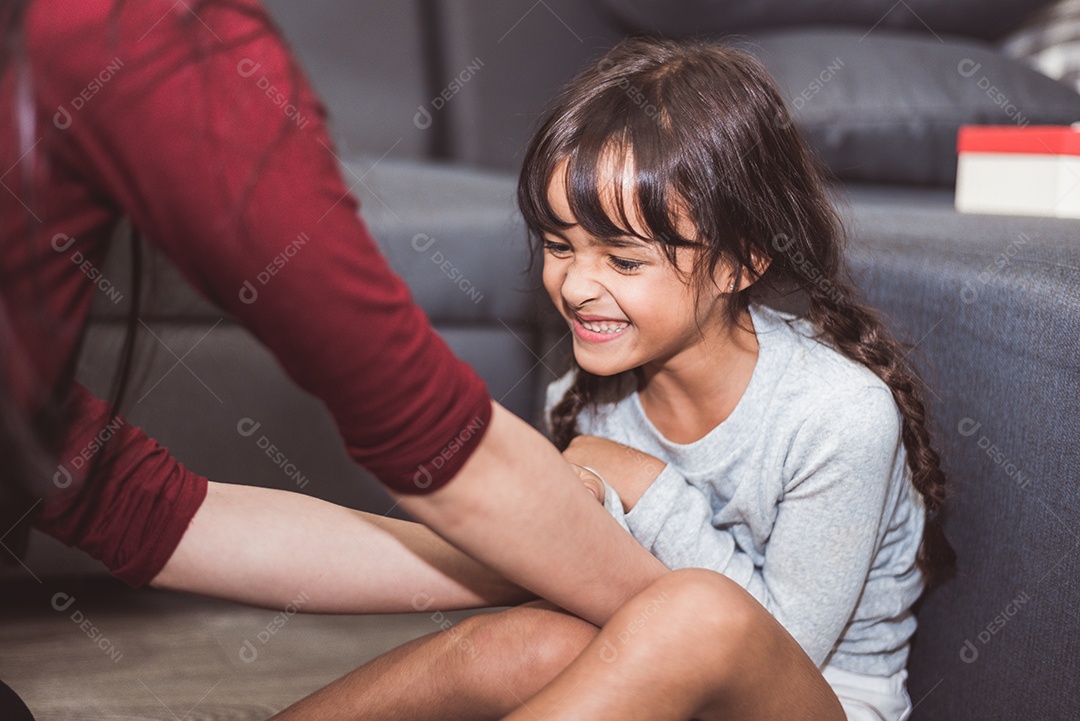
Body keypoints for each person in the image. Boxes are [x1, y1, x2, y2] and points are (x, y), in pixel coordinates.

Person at [0, 1, 687, 714]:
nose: (579, 284)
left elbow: (132, 506)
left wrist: (523, 563)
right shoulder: (136, 32)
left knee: (538, 650)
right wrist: (712, 640)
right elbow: (421, 423)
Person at [268, 38, 957, 721]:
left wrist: (640, 483)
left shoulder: (838, 413)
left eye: (623, 261)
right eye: (560, 246)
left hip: (810, 699)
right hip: (659, 680)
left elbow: (770, 643)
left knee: (693, 612)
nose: (575, 284)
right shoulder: (584, 398)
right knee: (528, 640)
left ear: (740, 264)